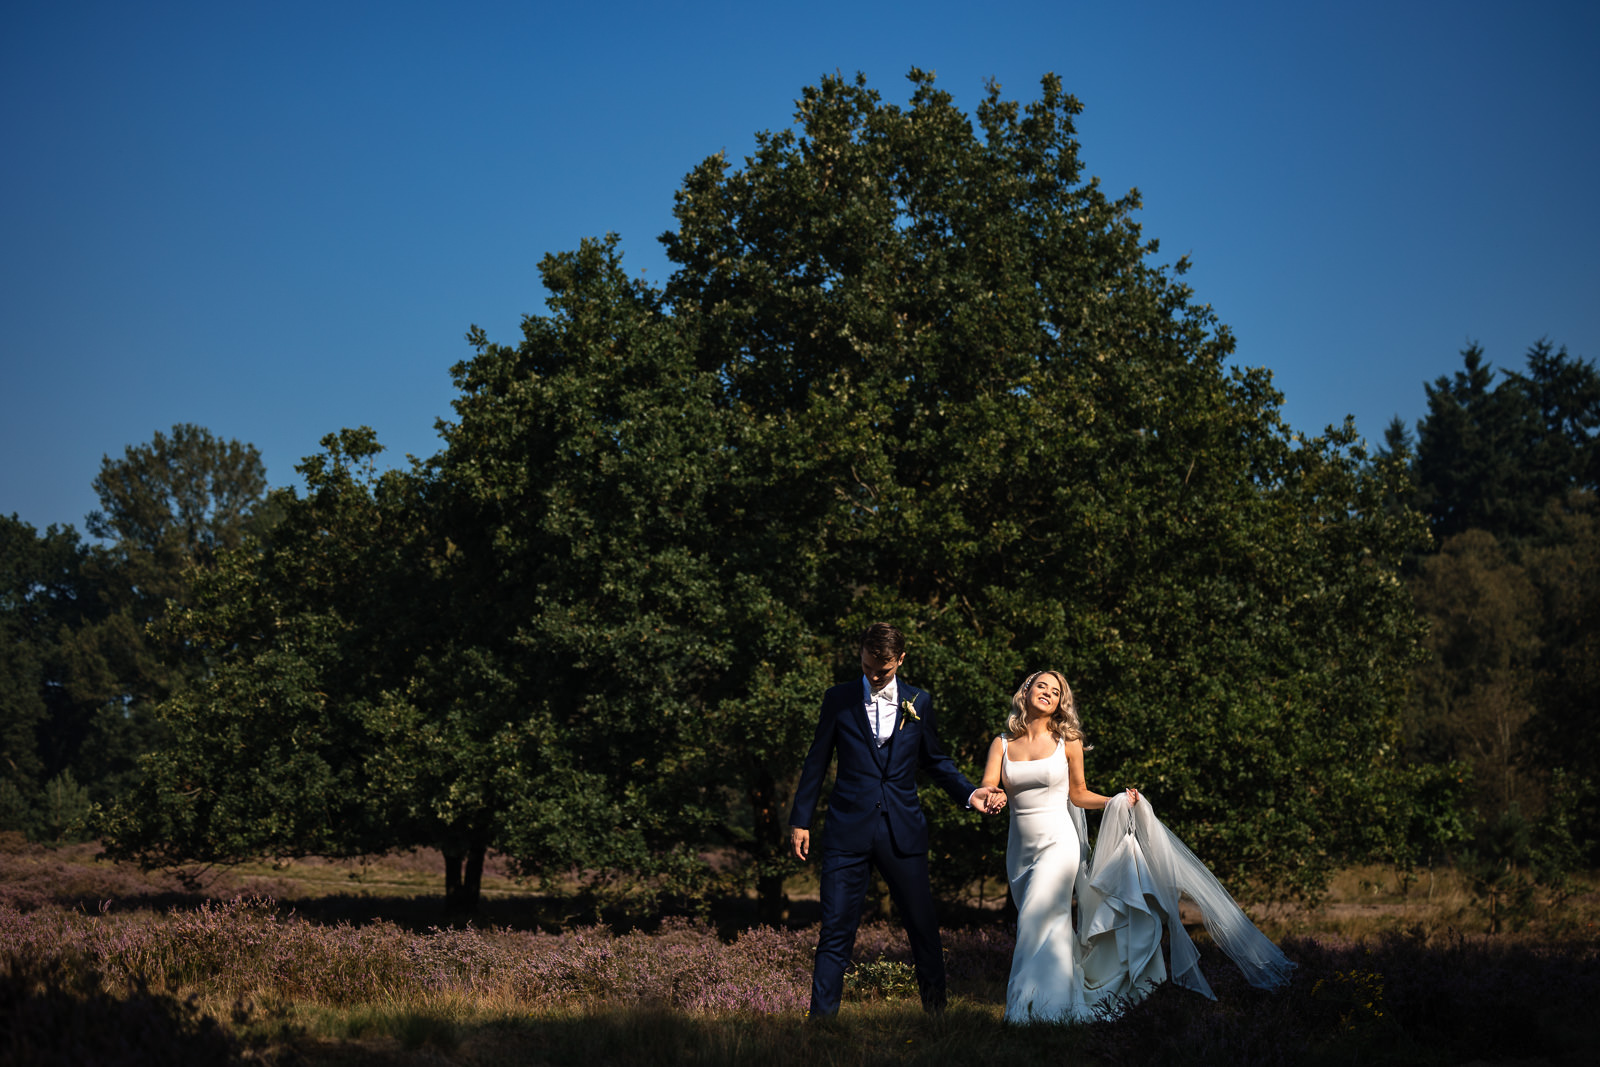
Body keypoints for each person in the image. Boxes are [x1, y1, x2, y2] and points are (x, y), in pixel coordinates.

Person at [980, 670, 1295, 1024]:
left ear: (1059, 704)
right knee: (1042, 923)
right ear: (1026, 691)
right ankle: (1058, 1002)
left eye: (1056, 692)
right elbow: (987, 787)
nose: (1048, 694)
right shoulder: (1002, 744)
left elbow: (1078, 794)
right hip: (1020, 851)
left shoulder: (1066, 743)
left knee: (1036, 919)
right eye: (1042, 686)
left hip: (1058, 845)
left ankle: (1027, 1012)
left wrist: (1115, 800)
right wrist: (985, 797)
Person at [789, 622, 1005, 1016]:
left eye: (883, 669)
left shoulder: (919, 702)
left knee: (923, 928)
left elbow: (936, 761)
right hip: (846, 831)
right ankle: (821, 1025)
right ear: (861, 654)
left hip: (903, 831)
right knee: (835, 931)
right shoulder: (837, 699)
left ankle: (937, 1017)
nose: (874, 675)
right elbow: (816, 760)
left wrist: (972, 793)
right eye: (869, 665)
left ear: (900, 660)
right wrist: (800, 820)